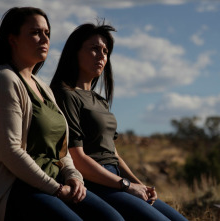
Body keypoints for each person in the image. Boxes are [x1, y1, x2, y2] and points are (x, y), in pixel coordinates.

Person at [0, 7, 124, 221]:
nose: (44, 39)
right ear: (13, 40)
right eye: (35, 33)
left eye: (47, 33)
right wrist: (56, 189)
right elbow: (10, 151)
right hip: (15, 189)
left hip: (55, 183)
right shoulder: (3, 80)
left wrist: (74, 177)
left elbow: (62, 150)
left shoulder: (43, 86)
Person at [50, 21, 188, 221]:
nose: (101, 56)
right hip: (95, 180)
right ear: (75, 52)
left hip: (115, 177)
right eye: (94, 49)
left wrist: (139, 184)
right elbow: (77, 158)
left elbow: (112, 152)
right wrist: (126, 186)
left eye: (105, 51)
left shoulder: (100, 101)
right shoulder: (66, 95)